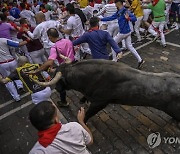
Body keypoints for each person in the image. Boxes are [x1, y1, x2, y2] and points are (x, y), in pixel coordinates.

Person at [28, 28, 75, 107]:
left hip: (65, 68)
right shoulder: (68, 41)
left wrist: (38, 70)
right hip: (74, 64)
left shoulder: (54, 47)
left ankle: (63, 102)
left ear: (50, 37)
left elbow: (50, 62)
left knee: (60, 86)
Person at [29, 101, 93, 154]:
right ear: (56, 119)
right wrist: (81, 121)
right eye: (57, 112)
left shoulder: (37, 151)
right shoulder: (74, 127)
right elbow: (90, 141)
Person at [101, 0, 145, 68]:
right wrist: (101, 19)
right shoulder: (119, 11)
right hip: (127, 32)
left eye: (115, 2)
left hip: (123, 33)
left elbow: (135, 18)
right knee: (130, 47)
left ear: (118, 3)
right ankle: (140, 60)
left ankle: (114, 59)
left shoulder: (125, 11)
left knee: (113, 44)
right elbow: (112, 17)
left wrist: (128, 18)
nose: (114, 4)